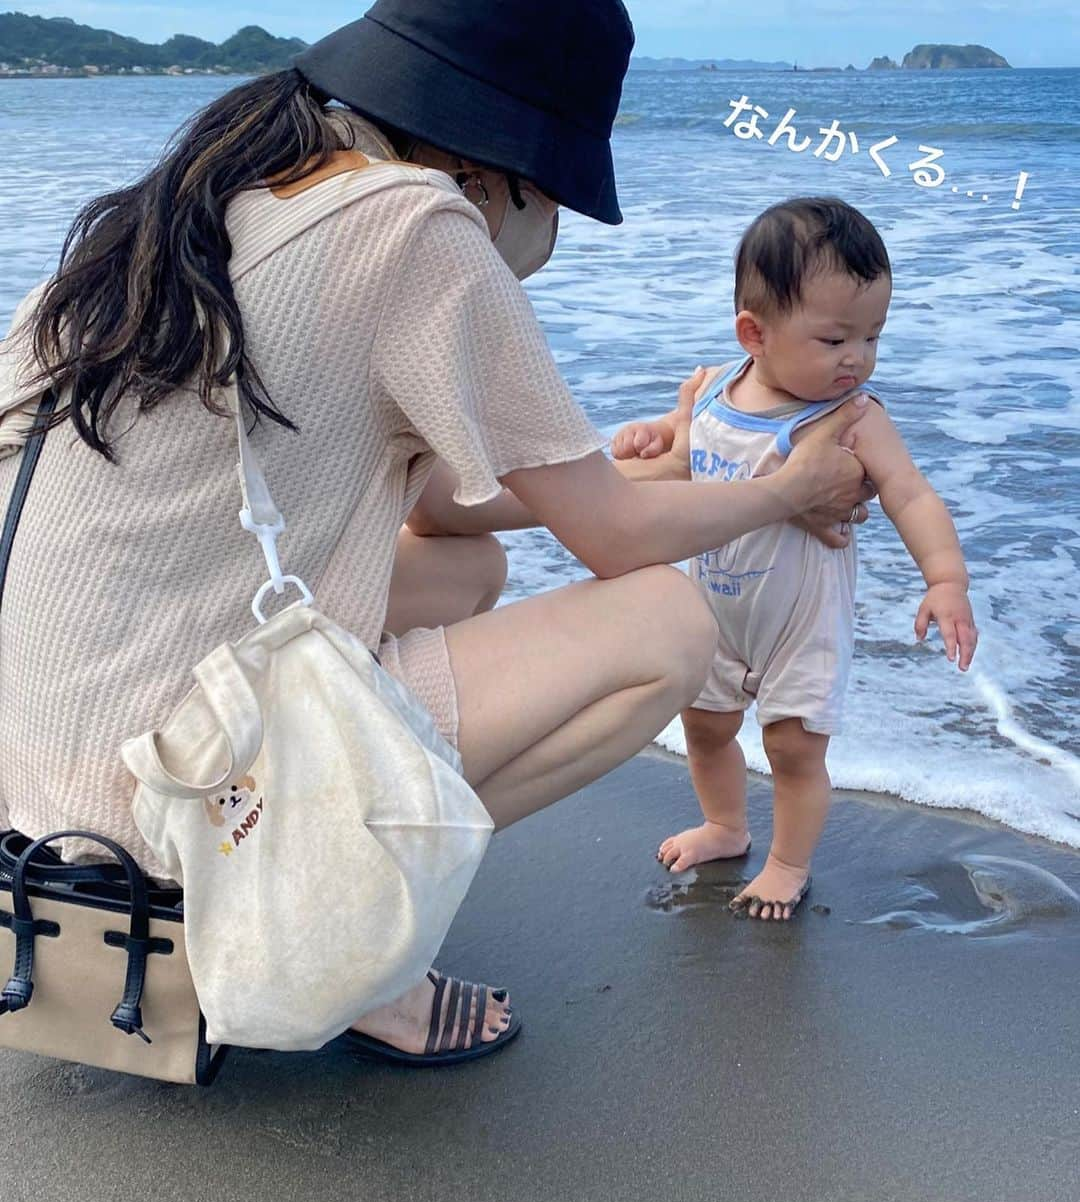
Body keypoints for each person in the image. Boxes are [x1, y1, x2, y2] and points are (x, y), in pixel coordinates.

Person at [0, 3, 873, 1066]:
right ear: (490, 164)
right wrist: (793, 489)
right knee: (669, 624)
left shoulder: (216, 196)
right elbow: (614, 540)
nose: (544, 215)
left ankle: (331, 868)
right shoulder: (415, 224)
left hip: (43, 779)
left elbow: (448, 510)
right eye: (548, 186)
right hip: (168, 812)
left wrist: (664, 463)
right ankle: (345, 948)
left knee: (468, 569)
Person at [612, 197, 978, 920]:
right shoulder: (712, 386)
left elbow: (909, 494)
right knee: (706, 725)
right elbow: (689, 449)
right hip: (714, 609)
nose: (858, 358)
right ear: (755, 333)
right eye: (835, 338)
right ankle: (725, 825)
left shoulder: (853, 419)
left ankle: (787, 862)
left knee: (793, 748)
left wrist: (946, 578)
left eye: (873, 336)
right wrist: (653, 435)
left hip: (801, 624)